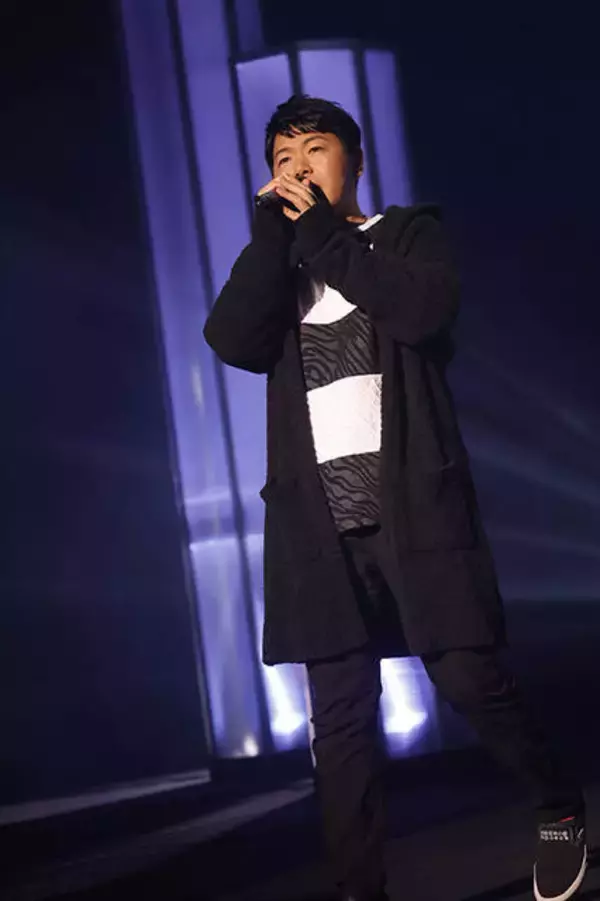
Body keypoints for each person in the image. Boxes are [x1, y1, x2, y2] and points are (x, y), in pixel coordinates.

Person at [203, 94, 586, 901]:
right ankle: (359, 889)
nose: (297, 168)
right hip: (319, 527)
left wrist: (321, 232)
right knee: (340, 724)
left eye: (314, 149)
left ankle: (557, 804)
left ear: (354, 159)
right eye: (281, 160)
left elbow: (422, 312)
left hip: (414, 506)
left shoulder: (406, 235)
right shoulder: (283, 267)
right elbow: (232, 338)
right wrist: (273, 238)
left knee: (469, 676)